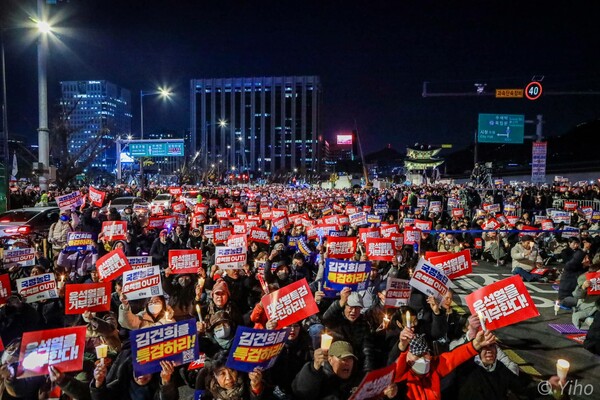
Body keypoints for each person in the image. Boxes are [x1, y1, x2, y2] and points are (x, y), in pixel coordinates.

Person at [394, 327, 497, 400]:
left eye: (425, 353)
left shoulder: (434, 366)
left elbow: (455, 356)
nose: (423, 358)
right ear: (407, 357)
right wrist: (402, 347)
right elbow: (395, 367)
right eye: (417, 355)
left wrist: (475, 345)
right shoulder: (402, 376)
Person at [292, 341, 398, 400]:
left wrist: (387, 395)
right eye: (342, 359)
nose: (346, 362)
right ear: (330, 359)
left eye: (350, 359)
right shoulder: (320, 378)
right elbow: (302, 393)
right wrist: (314, 367)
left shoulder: (362, 379)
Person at [322, 288, 376, 372]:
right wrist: (339, 303)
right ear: (344, 306)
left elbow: (367, 349)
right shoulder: (335, 319)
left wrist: (368, 370)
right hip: (334, 361)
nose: (353, 311)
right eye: (351, 307)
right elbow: (325, 318)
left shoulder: (363, 323)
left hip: (352, 362)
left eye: (357, 308)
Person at [91, 359, 178, 400]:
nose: (142, 375)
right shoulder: (121, 384)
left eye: (147, 370)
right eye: (138, 371)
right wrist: (98, 381)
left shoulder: (158, 384)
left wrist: (166, 382)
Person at [195, 350, 268, 400]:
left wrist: (256, 387)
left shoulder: (248, 382)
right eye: (222, 373)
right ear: (215, 375)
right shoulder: (207, 390)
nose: (228, 378)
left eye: (232, 371)